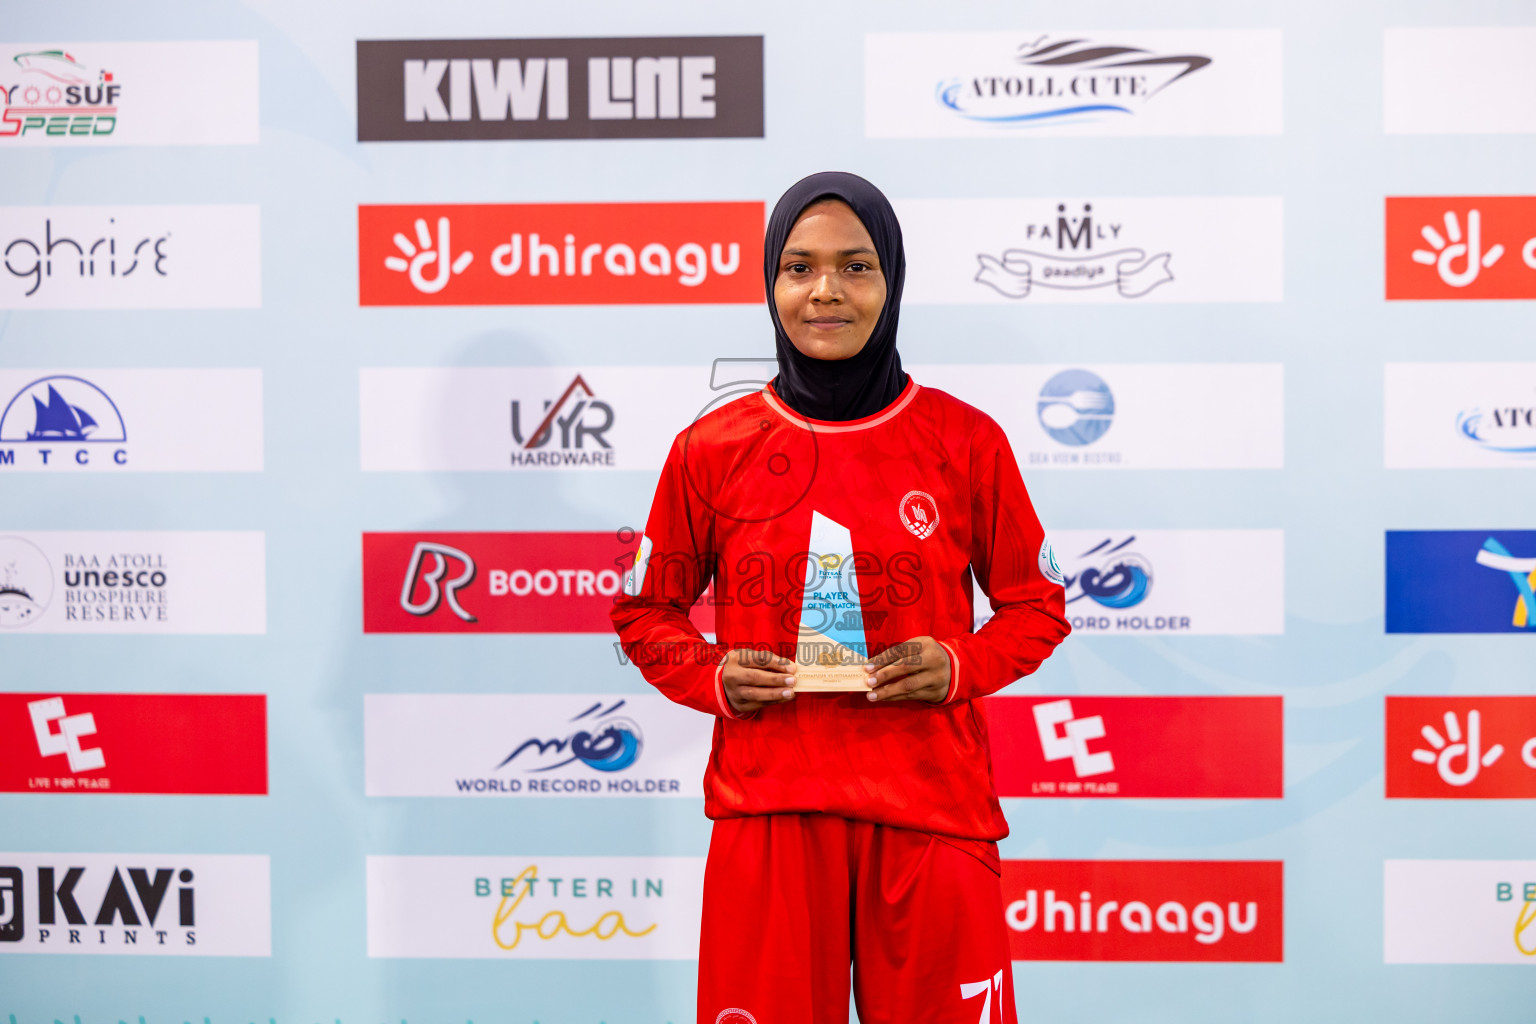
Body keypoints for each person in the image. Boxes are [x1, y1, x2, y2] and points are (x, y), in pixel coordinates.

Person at [610, 171, 1070, 1024]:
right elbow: (644, 611)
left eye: (856, 266)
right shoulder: (711, 448)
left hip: (932, 811)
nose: (826, 290)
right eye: (799, 267)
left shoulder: (966, 440)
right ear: (771, 285)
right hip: (771, 810)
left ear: (891, 283)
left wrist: (959, 664)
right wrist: (712, 678)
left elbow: (1037, 605)